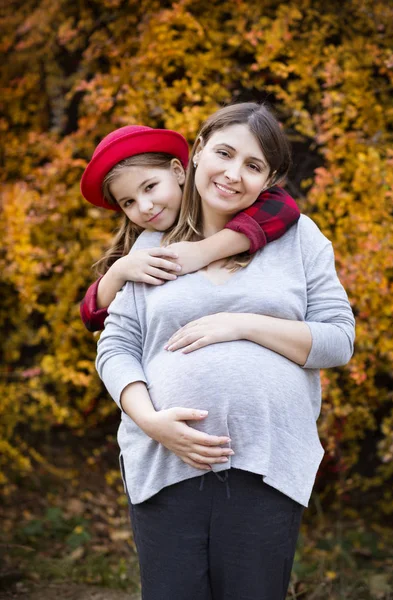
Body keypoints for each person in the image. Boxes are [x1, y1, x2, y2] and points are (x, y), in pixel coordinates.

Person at [95, 103, 355, 600]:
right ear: (196, 153)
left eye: (253, 166)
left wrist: (242, 325)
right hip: (165, 462)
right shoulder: (152, 246)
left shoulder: (300, 238)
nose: (233, 174)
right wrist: (150, 420)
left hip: (268, 461)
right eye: (224, 153)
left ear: (269, 179)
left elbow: (338, 340)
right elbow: (116, 347)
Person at [79, 125, 300, 332]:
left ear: (177, 171)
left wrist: (204, 251)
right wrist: (118, 271)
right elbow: (92, 317)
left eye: (150, 187)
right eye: (128, 202)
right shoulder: (146, 243)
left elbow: (283, 207)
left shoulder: (216, 199)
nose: (145, 207)